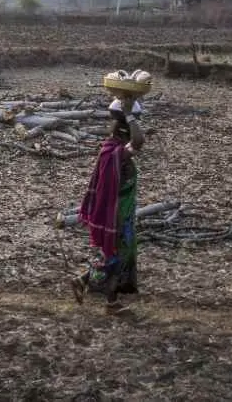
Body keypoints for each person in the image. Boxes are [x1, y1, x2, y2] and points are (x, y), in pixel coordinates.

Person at [72, 70, 150, 315]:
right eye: (134, 122)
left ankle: (84, 281)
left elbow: (137, 141)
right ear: (126, 125)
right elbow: (139, 142)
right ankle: (110, 303)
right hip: (116, 212)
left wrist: (129, 116)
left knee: (114, 254)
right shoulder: (116, 150)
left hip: (121, 209)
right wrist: (130, 115)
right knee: (115, 254)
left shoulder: (113, 148)